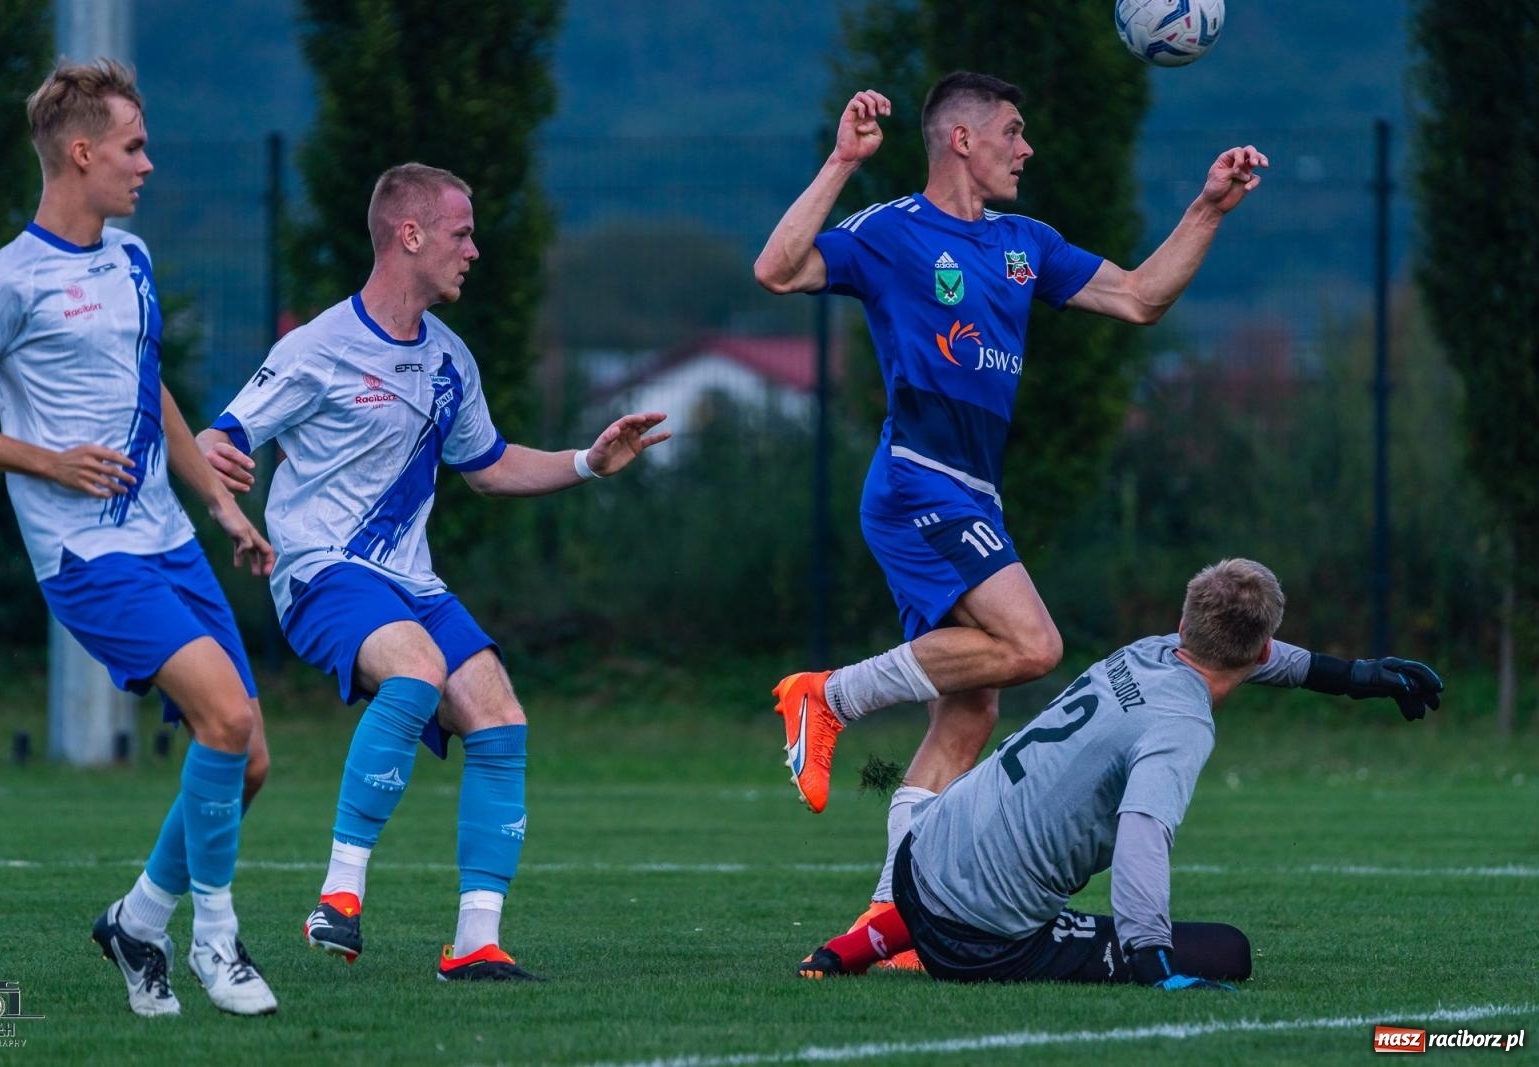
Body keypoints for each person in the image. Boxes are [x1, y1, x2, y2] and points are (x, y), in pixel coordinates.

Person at [752, 71, 1270, 964]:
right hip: (920, 481)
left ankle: (898, 923)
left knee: (970, 713)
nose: (1027, 149)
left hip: (970, 492)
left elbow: (1141, 297)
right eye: (1013, 132)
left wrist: (1209, 207)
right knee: (1035, 645)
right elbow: (777, 267)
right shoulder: (892, 233)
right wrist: (842, 163)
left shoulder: (1026, 244)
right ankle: (827, 696)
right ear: (961, 139)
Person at [197, 162, 670, 982]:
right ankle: (339, 897)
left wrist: (589, 462)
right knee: (415, 669)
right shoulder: (316, 348)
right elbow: (221, 434)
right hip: (320, 570)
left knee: (500, 716)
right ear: (409, 236)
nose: (475, 250)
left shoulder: (451, 358)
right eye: (461, 233)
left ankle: (476, 940)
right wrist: (219, 469)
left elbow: (488, 466)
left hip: (409, 581)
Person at [0, 60, 278, 1017]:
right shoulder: (4, 281)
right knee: (224, 716)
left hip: (169, 537)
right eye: (133, 147)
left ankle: (137, 920)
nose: (149, 164)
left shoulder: (130, 258)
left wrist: (215, 497)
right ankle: (217, 939)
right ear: (81, 153)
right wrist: (48, 463)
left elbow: (148, 385)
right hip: (86, 558)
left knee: (246, 757)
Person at [796, 558, 1443, 987]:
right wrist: (1150, 958)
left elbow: (1259, 657)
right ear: (1260, 648)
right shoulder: (1182, 724)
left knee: (981, 841)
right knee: (1229, 952)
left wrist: (1355, 676)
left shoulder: (1145, 652)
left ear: (1181, 622)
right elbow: (1142, 831)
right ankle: (894, 940)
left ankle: (853, 946)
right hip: (982, 936)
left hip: (918, 861)